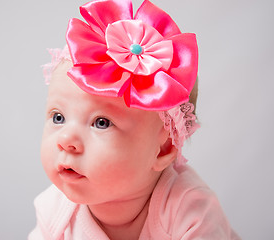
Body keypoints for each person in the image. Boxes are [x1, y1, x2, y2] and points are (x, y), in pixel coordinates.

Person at [29, 0, 240, 239]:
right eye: (58, 117)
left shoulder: (189, 211)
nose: (66, 139)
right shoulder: (54, 211)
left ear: (162, 149)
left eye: (102, 122)